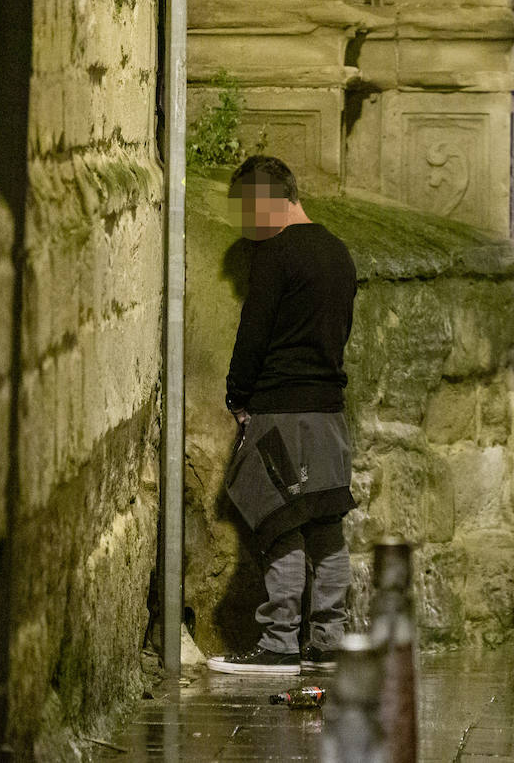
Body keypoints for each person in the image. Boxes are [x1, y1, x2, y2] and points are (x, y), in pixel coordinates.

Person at [207, 155, 359, 676]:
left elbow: (254, 333)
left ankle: (278, 644)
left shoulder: (274, 255)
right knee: (324, 524)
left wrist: (238, 394)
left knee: (278, 524)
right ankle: (329, 640)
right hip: (329, 414)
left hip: (281, 410)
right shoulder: (340, 253)